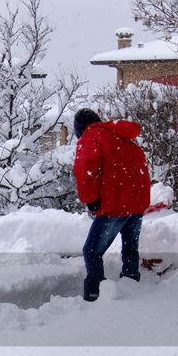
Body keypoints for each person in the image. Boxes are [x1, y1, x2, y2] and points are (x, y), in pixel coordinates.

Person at [72, 107, 151, 301]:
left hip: (116, 207)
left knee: (91, 251)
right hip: (136, 205)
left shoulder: (91, 137)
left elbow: (85, 170)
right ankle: (132, 285)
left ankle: (95, 295)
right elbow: (140, 169)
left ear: (80, 128)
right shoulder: (121, 137)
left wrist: (92, 200)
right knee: (130, 249)